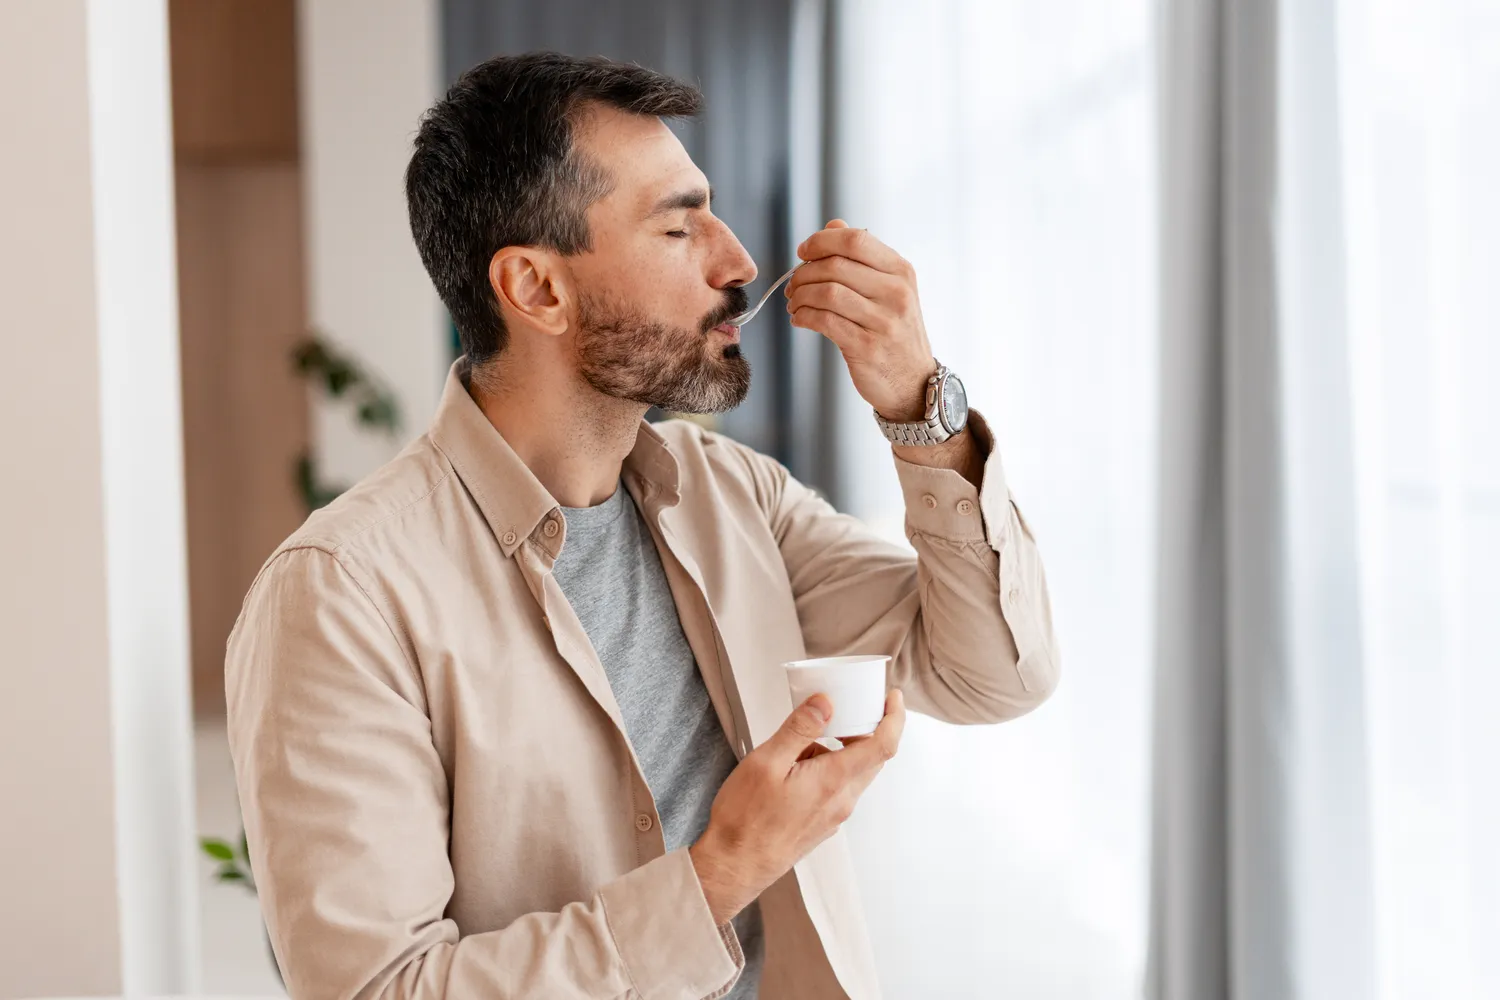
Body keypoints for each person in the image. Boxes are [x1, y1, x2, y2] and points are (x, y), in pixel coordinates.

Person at [225, 51, 1059, 1000]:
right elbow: (379, 989)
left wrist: (920, 409)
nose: (739, 263)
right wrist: (721, 875)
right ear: (536, 288)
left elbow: (995, 674)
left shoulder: (734, 496)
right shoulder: (340, 595)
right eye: (677, 226)